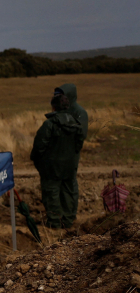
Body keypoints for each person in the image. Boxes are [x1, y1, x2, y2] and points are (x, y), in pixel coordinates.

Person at [29, 88, 84, 228]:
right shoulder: (76, 124)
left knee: (51, 193)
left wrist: (38, 162)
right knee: (69, 192)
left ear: (53, 107)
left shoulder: (49, 125)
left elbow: (38, 147)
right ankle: (68, 220)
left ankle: (54, 223)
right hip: (70, 166)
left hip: (51, 167)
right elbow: (79, 145)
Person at [57, 83, 89, 222]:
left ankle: (70, 215)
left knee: (69, 185)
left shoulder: (79, 112)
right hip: (58, 153)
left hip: (70, 154)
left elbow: (81, 134)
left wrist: (73, 149)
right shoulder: (62, 110)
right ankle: (63, 214)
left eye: (63, 95)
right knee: (59, 186)